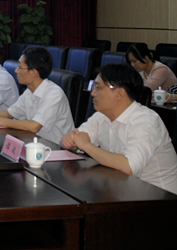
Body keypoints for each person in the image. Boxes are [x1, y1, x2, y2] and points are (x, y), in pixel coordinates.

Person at [62, 63, 177, 194]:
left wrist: (86, 145)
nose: (93, 93)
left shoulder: (145, 122)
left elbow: (129, 167)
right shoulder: (101, 116)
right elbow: (79, 138)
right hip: (123, 190)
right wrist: (71, 142)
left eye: (98, 88)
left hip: (160, 197)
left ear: (119, 93)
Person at [0, 47, 74, 142]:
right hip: (36, 143)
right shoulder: (29, 92)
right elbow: (9, 114)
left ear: (33, 72)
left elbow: (34, 126)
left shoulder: (54, 94)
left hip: (56, 148)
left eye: (20, 67)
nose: (16, 71)